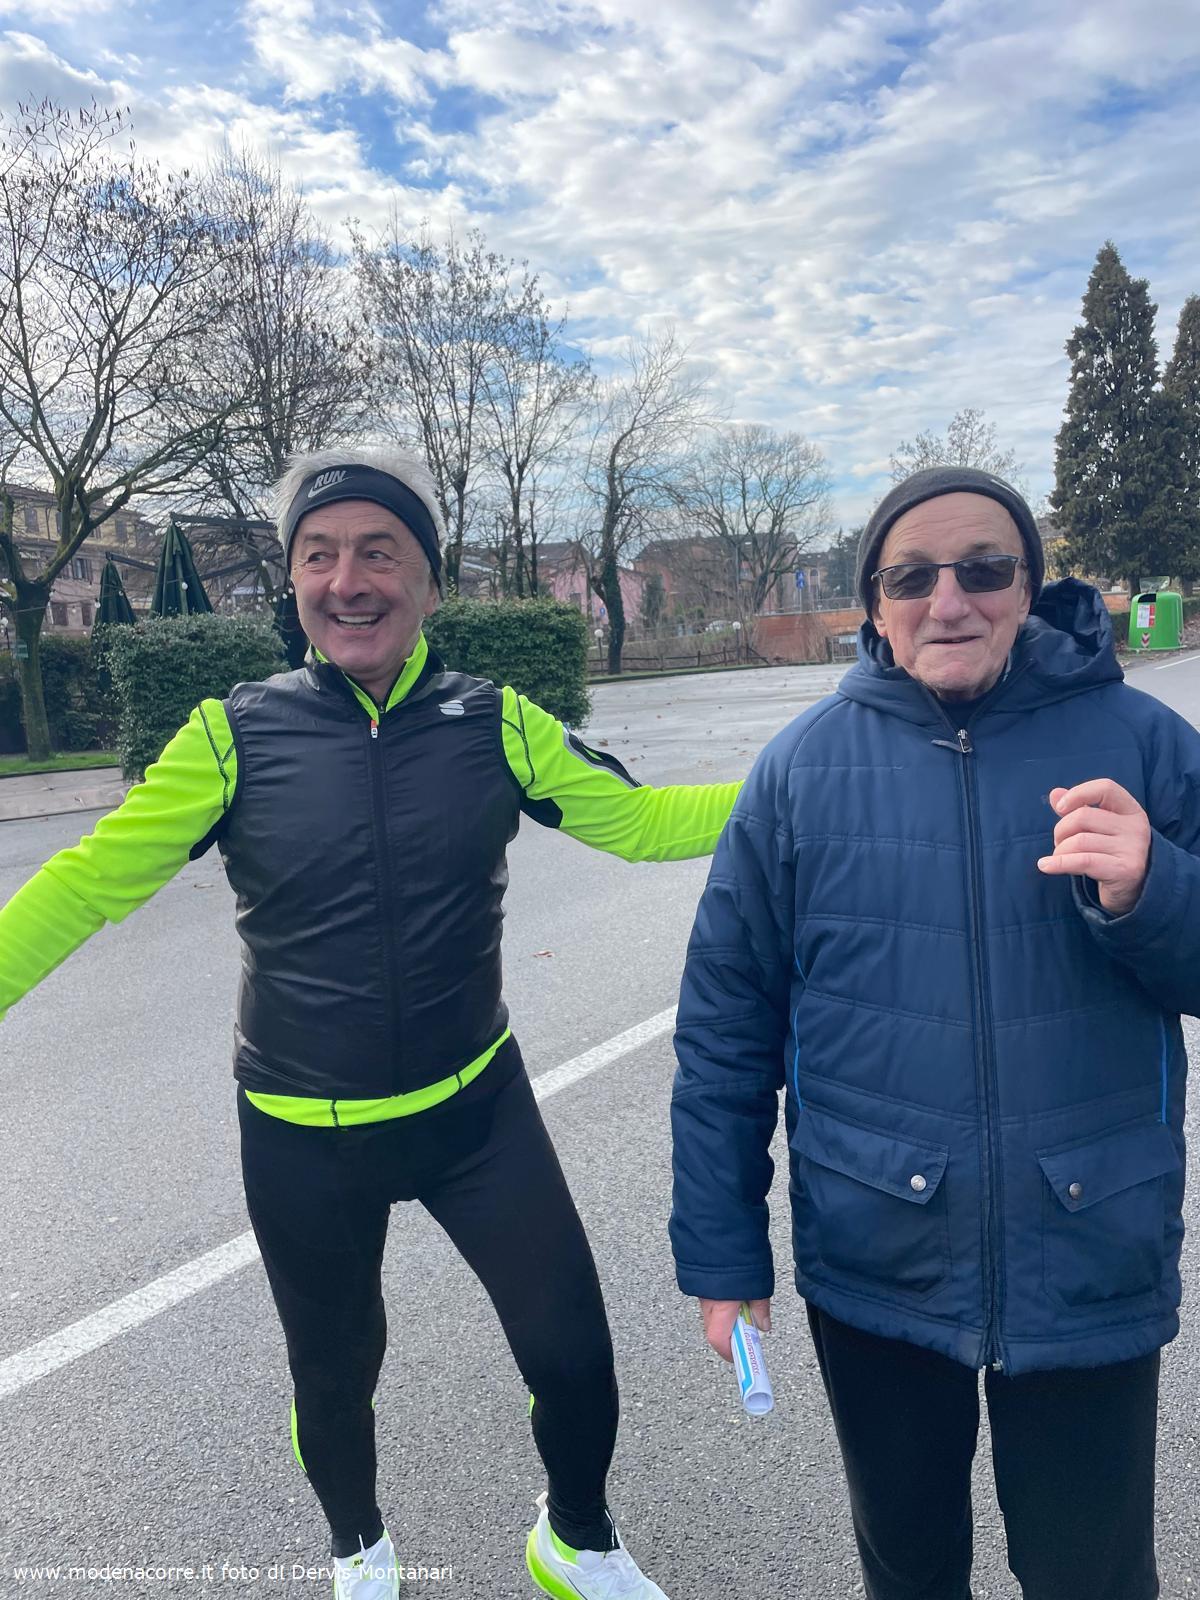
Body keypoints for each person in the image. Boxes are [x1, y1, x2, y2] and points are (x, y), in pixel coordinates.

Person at [0, 445, 741, 1600]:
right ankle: (360, 1548)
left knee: (573, 1354)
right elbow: (87, 884)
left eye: (379, 552)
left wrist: (812, 786)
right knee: (335, 1378)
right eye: (319, 554)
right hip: (304, 1135)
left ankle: (576, 1539)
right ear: (294, 581)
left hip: (476, 1116)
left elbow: (646, 824)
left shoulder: (496, 723)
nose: (347, 580)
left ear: (430, 582)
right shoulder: (230, 735)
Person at [670, 465, 1199, 1600]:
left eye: (984, 569)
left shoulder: (1147, 747)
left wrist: (1156, 888)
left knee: (1093, 1578)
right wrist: (724, 1256)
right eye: (911, 577)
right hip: (879, 1262)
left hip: (1088, 1248)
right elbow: (725, 1030)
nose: (948, 601)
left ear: (1029, 586)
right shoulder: (799, 773)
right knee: (909, 1573)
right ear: (874, 602)